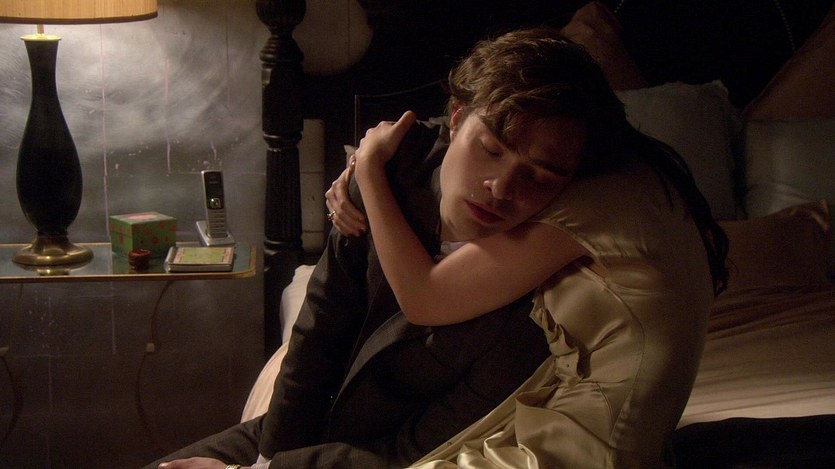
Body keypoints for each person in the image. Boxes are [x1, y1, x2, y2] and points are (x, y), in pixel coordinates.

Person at [329, 26, 728, 469]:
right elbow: (485, 129)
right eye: (490, 150)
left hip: (575, 452)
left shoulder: (595, 204)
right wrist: (365, 162)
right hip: (551, 423)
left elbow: (423, 297)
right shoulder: (619, 172)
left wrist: (369, 169)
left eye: (540, 174)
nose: (501, 188)